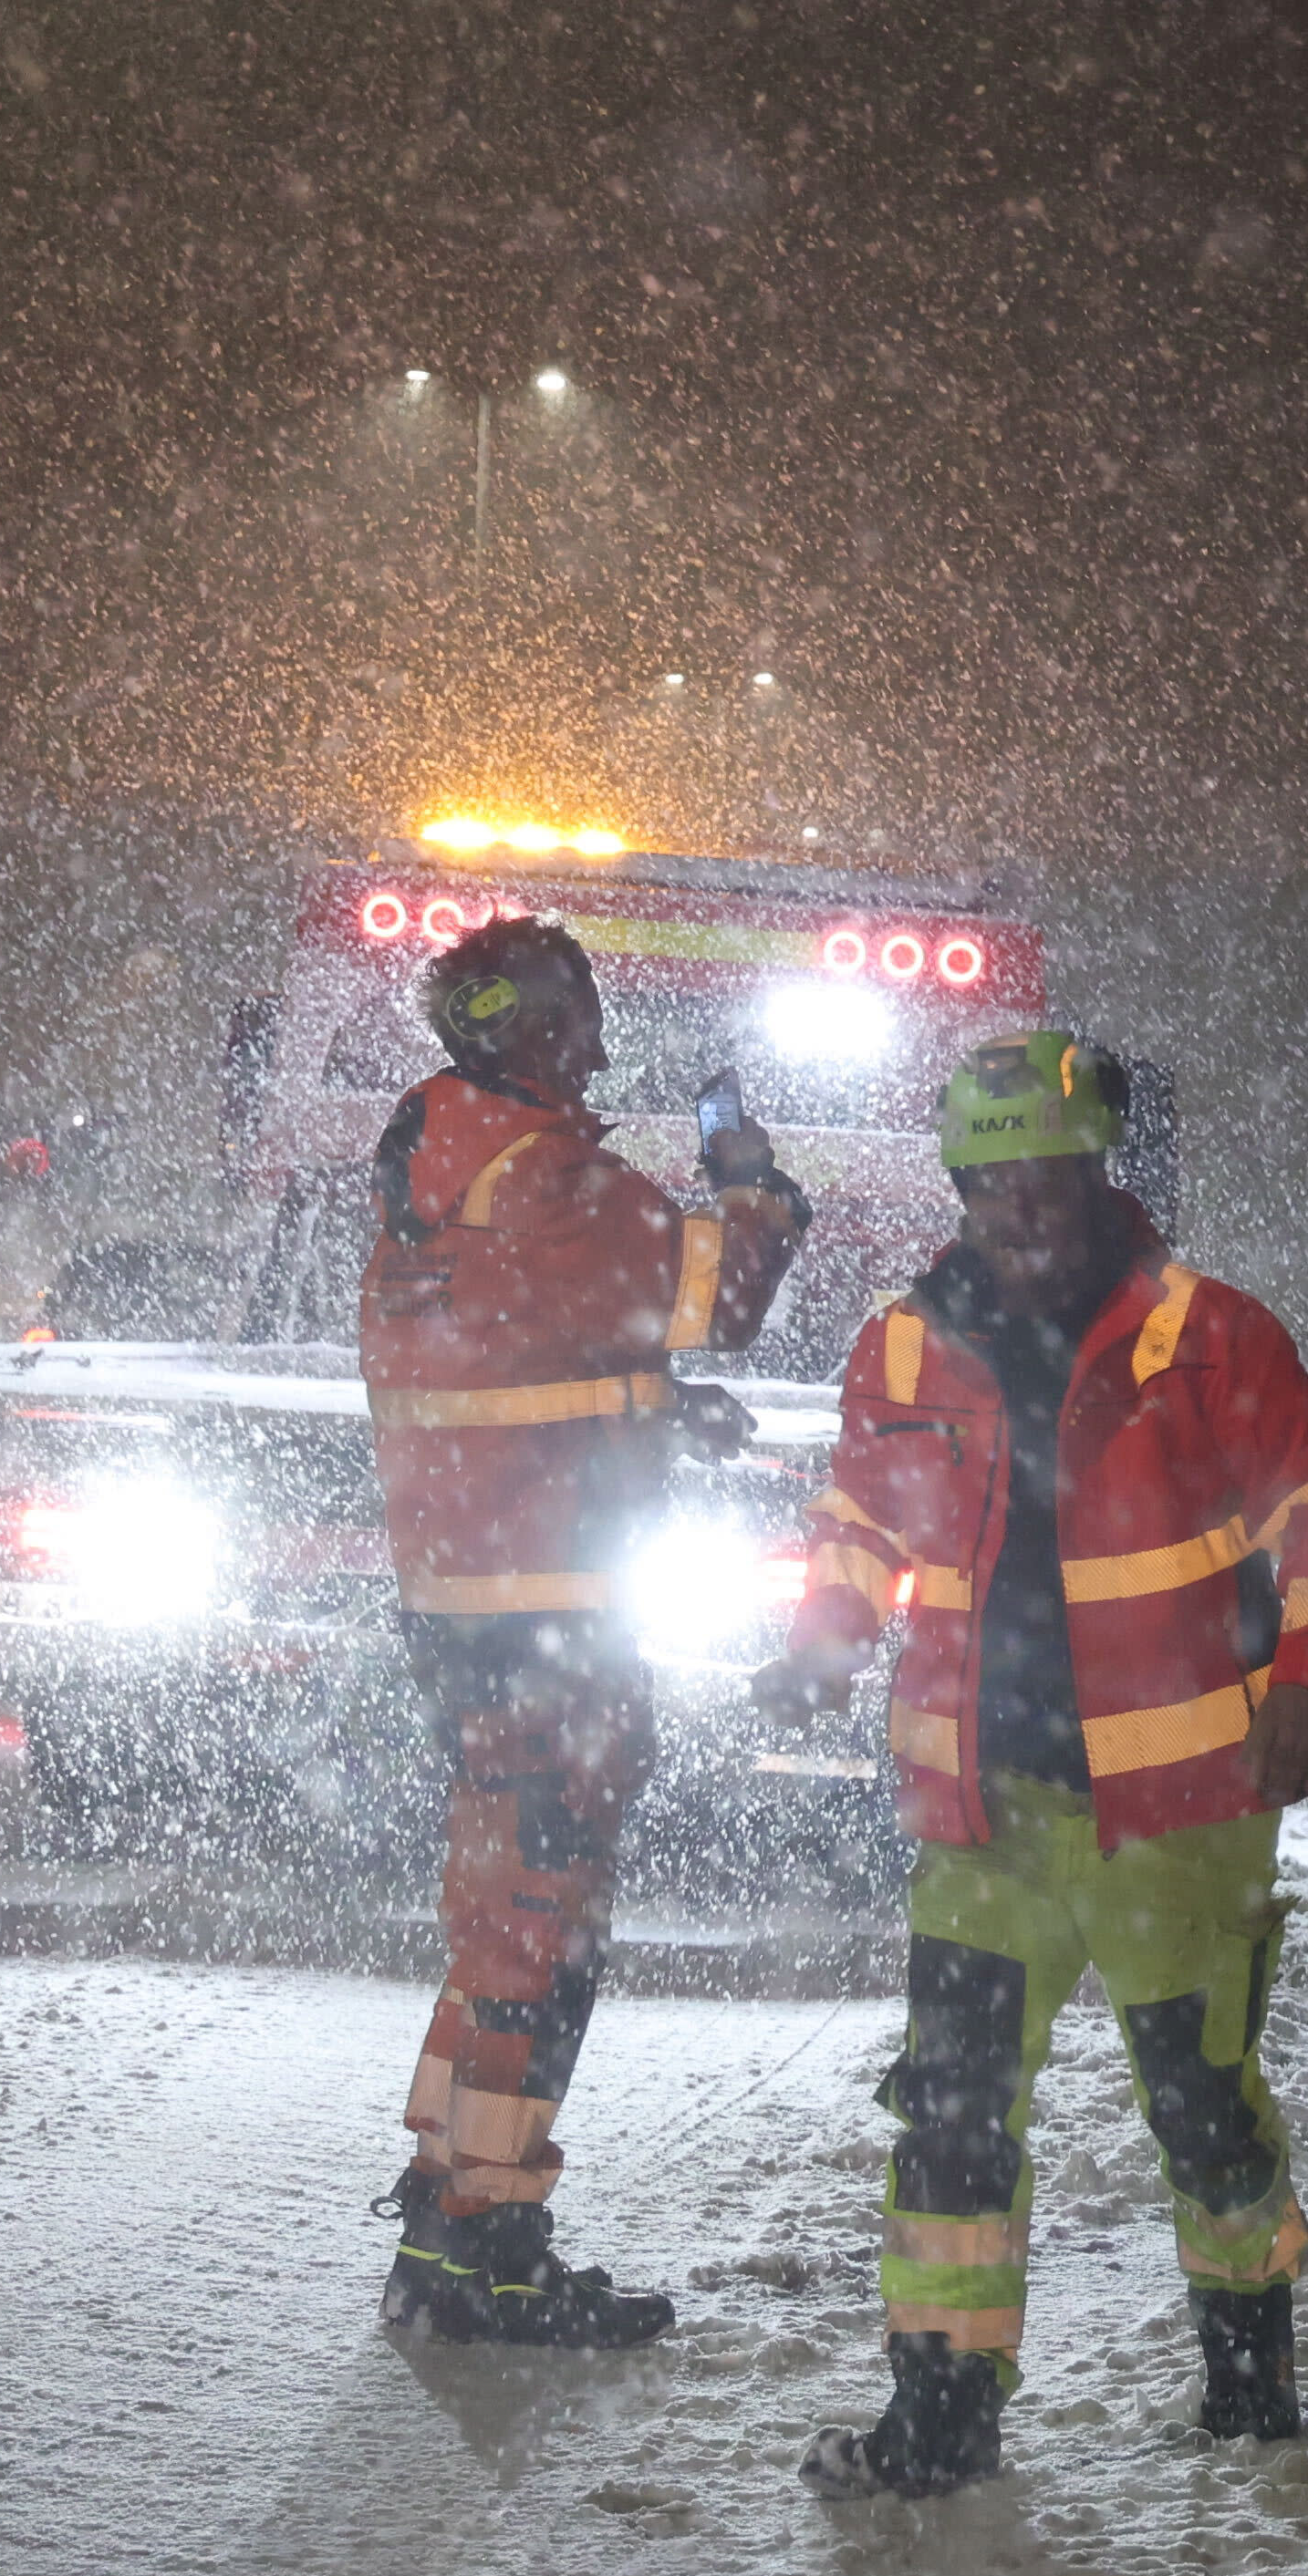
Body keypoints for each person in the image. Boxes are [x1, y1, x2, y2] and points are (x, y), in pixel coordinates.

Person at [753, 1029, 1308, 2490]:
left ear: (1099, 1173)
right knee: (952, 2111)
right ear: (959, 1184)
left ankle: (1248, 2379)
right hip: (986, 1813)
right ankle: (943, 2412)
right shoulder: (905, 1343)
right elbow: (861, 1516)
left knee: (1200, 2102)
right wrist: (824, 1626)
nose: (1021, 1208)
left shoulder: (1205, 1336)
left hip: (1176, 1811)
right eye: (993, 1181)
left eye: (1049, 1176)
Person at [361, 915, 809, 2343]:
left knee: (498, 1911)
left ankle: (444, 2211)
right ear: (540, 1030)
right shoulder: (549, 1175)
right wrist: (754, 1184)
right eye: (588, 1014)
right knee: (547, 1930)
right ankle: (495, 2249)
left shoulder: (432, 1161)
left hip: (469, 1596)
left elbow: (511, 1350)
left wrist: (648, 1406)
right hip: (555, 1602)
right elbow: (720, 1294)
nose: (604, 1043)